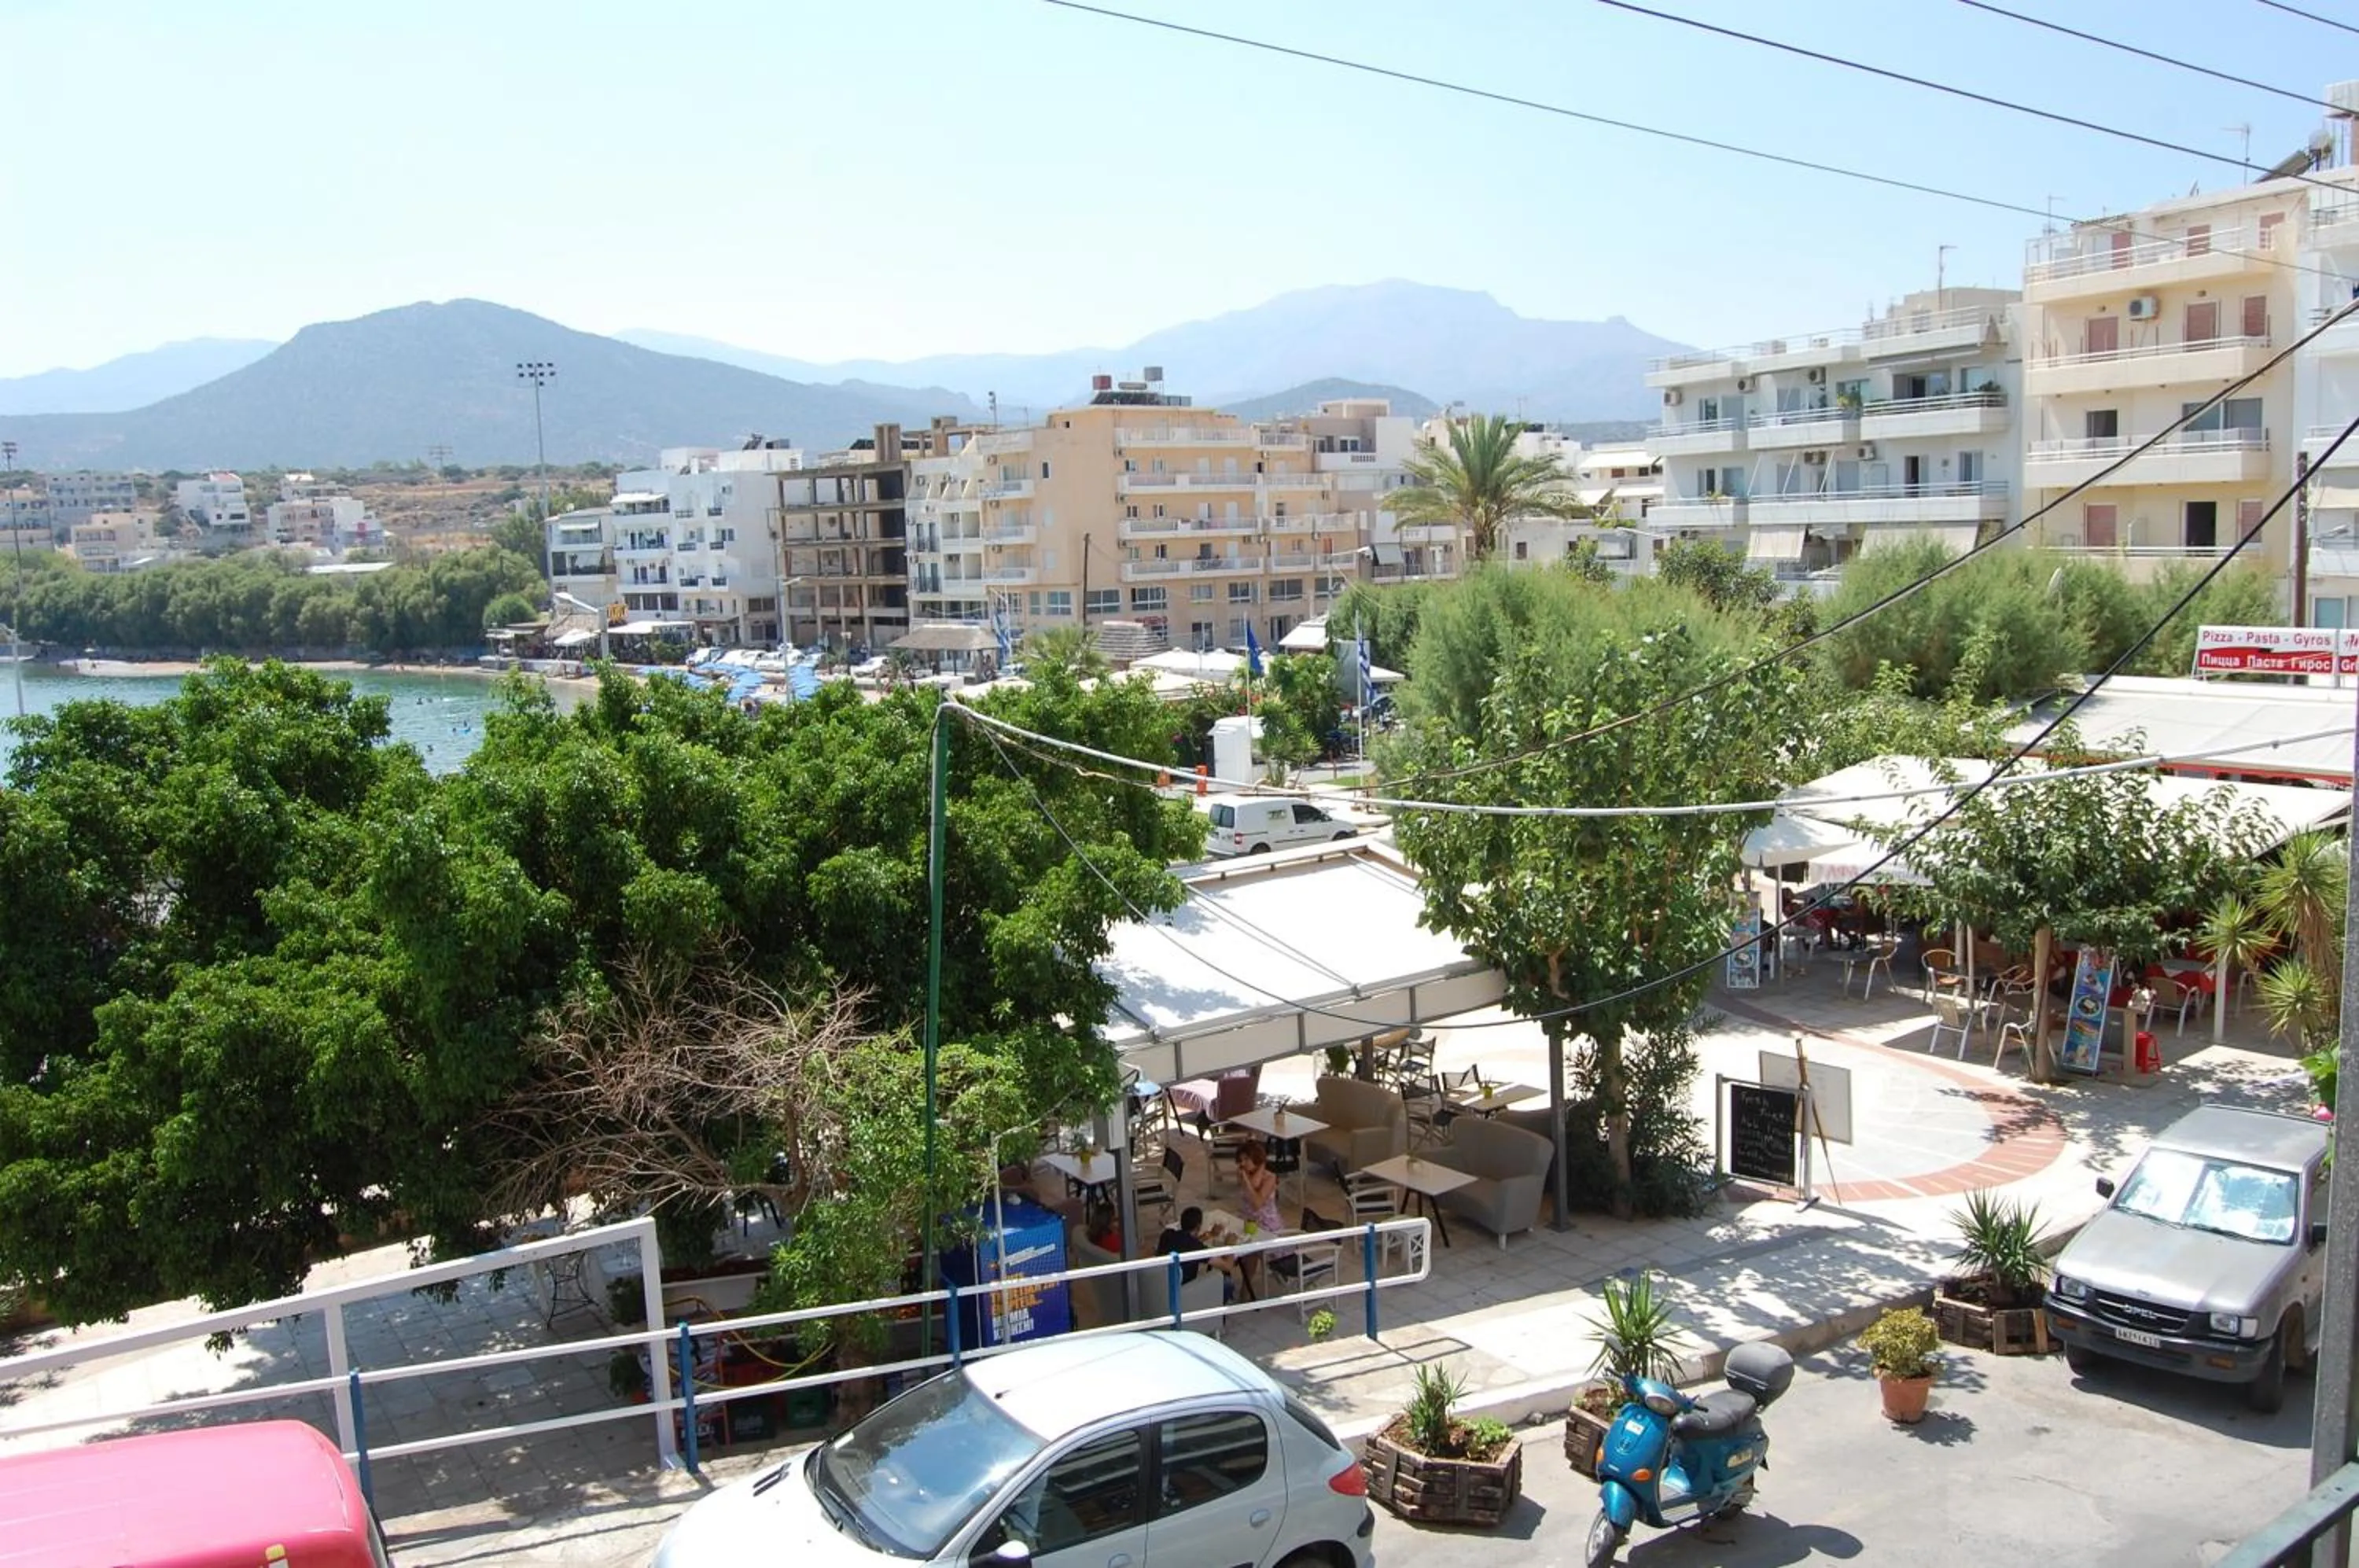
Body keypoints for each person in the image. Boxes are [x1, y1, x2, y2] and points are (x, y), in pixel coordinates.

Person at [1235, 1140, 1283, 1235]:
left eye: (1246, 1159)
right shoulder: (1243, 1173)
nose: (1243, 1164)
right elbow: (1255, 1184)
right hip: (1247, 1221)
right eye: (1241, 1160)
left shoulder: (1270, 1178)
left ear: (1256, 1159)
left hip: (1267, 1225)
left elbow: (1257, 1204)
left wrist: (1246, 1181)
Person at [1157, 1206, 1211, 1283]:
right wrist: (1230, 1245)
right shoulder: (1196, 1247)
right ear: (1199, 1226)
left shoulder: (1167, 1234)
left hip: (1162, 1282)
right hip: (1184, 1289)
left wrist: (1208, 1235)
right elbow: (1227, 1265)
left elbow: (1184, 1245)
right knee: (1227, 1283)